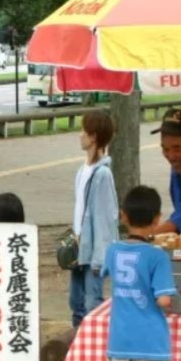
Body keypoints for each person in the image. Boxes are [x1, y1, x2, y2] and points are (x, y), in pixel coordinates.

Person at [104, 185, 177, 361]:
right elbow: (164, 299)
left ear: (123, 216)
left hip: (119, 341)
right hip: (151, 344)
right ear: (158, 220)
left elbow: (107, 275)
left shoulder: (113, 250)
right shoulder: (157, 257)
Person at [71, 111, 120, 328]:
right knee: (76, 301)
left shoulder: (102, 174)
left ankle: (94, 346)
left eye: (83, 130)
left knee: (92, 301)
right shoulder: (84, 170)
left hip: (93, 251)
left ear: (93, 137)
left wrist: (100, 257)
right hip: (79, 246)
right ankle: (77, 346)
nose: (80, 134)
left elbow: (106, 217)